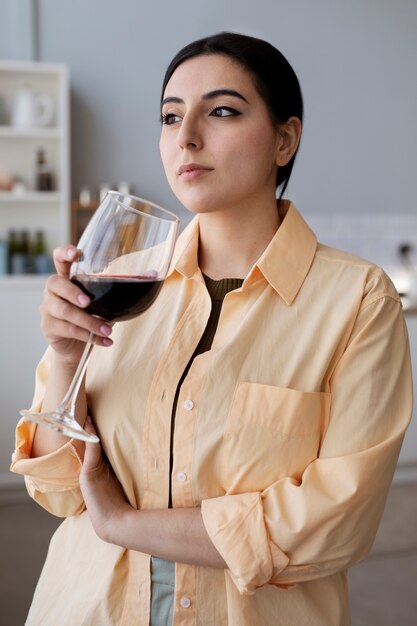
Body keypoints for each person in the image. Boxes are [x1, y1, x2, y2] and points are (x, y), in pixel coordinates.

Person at [11, 31, 412, 626]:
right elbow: (59, 492)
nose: (187, 137)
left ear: (285, 139)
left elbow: (335, 524)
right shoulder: (113, 282)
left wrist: (123, 523)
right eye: (171, 117)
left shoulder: (357, 299)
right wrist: (67, 356)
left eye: (222, 111)